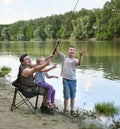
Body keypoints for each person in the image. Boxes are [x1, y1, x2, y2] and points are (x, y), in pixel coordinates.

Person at [56, 40, 85, 115]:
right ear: (67, 51)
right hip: (65, 80)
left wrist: (81, 56)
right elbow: (57, 51)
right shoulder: (64, 57)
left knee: (73, 96)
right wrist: (58, 43)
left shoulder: (75, 60)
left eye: (73, 50)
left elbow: (79, 64)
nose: (72, 51)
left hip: (73, 81)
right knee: (66, 96)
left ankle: (72, 109)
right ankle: (65, 109)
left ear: (75, 53)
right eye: (70, 50)